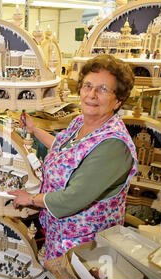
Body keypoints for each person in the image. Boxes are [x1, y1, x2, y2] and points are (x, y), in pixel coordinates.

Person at [8, 54, 138, 263]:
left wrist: (30, 199)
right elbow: (63, 148)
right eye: (87, 85)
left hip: (84, 247)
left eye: (103, 89)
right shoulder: (80, 122)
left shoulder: (113, 145)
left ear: (118, 100)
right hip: (59, 235)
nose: (92, 94)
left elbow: (72, 198)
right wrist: (34, 129)